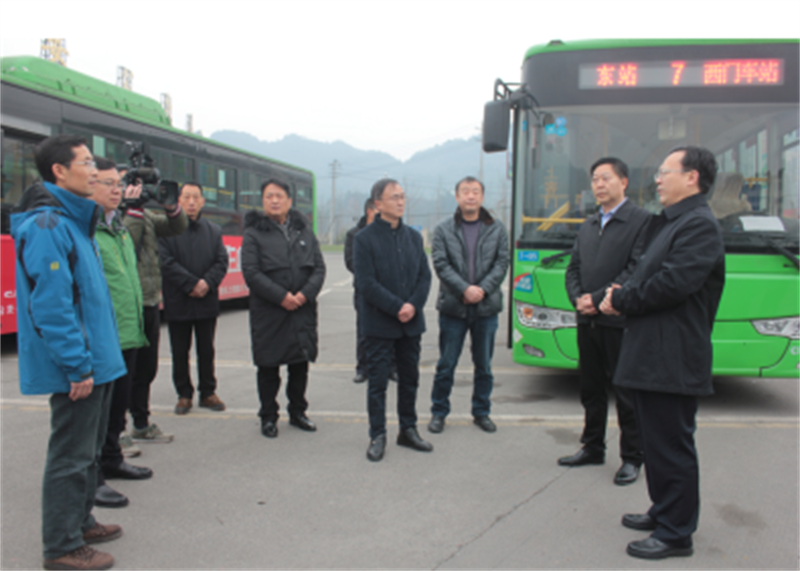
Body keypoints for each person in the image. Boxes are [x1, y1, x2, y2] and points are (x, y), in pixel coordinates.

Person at [599, 146, 725, 560]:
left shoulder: (699, 225)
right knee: (655, 442)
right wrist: (621, 291)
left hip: (672, 356)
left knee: (671, 444)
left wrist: (621, 299)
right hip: (652, 353)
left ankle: (676, 533)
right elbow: (644, 273)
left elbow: (673, 284)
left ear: (691, 177)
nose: (657, 179)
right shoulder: (672, 222)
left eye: (665, 171)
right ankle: (664, 509)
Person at [12, 135, 124, 570]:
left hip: (99, 360)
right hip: (80, 365)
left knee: (89, 452)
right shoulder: (48, 226)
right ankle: (61, 545)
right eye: (86, 163)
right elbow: (52, 306)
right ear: (59, 171)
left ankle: (81, 522)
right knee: (70, 456)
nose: (95, 171)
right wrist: (76, 365)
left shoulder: (77, 220)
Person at [559, 158, 650, 486]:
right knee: (591, 389)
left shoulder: (642, 221)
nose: (599, 184)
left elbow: (636, 269)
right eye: (595, 179)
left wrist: (596, 299)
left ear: (624, 182)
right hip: (588, 322)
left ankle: (633, 457)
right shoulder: (588, 224)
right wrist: (578, 299)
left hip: (620, 320)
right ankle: (592, 446)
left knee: (626, 393)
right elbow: (573, 268)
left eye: (606, 178)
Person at [354, 178, 432, 462]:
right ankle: (378, 435)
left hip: (411, 324)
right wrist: (398, 306)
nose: (400, 202)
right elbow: (366, 283)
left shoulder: (414, 237)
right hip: (379, 323)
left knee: (410, 379)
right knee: (377, 384)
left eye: (402, 196)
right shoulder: (364, 239)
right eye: (394, 197)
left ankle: (408, 430)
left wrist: (413, 305)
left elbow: (424, 277)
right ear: (378, 204)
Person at [91, 158, 153, 510]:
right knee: (96, 414)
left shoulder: (119, 228)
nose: (116, 190)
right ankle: (93, 475)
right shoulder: (87, 231)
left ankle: (112, 458)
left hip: (129, 331)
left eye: (118, 183)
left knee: (117, 405)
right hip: (104, 334)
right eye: (107, 183)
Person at [241, 179, 326, 438]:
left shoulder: (304, 231)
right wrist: (282, 297)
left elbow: (319, 268)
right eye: (269, 196)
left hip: (301, 310)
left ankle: (298, 412)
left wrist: (303, 295)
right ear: (263, 201)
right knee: (268, 367)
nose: (274, 200)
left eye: (279, 196)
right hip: (270, 313)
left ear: (289, 201)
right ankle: (268, 416)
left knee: (299, 365)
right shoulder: (253, 234)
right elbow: (252, 273)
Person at [428, 176, 509, 434]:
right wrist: (464, 289)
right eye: (465, 191)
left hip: (486, 309)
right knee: (446, 364)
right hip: (454, 308)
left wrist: (482, 290)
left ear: (482, 197)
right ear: (457, 197)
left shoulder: (497, 229)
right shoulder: (443, 229)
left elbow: (502, 263)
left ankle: (481, 412)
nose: (470, 196)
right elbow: (441, 263)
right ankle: (439, 412)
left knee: (484, 366)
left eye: (475, 192)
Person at [123, 167, 187, 443]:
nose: (140, 191)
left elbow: (177, 227)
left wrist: (171, 207)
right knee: (124, 372)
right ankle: (115, 432)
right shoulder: (113, 218)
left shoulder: (145, 216)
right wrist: (132, 210)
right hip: (128, 305)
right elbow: (127, 242)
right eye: (132, 185)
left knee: (146, 369)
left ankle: (141, 422)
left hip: (150, 301)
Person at [159, 182, 229, 415]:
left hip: (206, 300)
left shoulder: (213, 231)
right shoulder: (167, 230)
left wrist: (206, 283)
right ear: (178, 200)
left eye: (195, 197)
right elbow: (165, 262)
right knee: (180, 351)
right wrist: (190, 284)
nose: (191, 202)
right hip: (179, 299)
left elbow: (221, 261)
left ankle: (208, 392)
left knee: (206, 350)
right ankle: (184, 394)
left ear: (202, 202)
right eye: (186, 197)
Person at [344, 198, 378, 383]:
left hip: (389, 289)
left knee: (391, 329)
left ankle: (391, 367)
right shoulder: (354, 234)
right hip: (364, 290)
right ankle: (363, 368)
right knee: (364, 330)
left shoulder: (389, 232)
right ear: (369, 211)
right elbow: (351, 262)